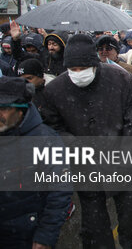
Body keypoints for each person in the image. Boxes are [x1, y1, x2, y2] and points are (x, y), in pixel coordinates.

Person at [40, 34, 132, 249]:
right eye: (73, 70)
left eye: (83, 68)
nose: (78, 74)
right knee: (95, 227)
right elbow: (51, 126)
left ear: (94, 64)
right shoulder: (55, 90)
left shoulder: (121, 80)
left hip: (123, 165)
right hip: (85, 168)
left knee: (129, 219)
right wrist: (76, 146)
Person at [0, 76, 73, 249]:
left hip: (25, 234)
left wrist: (46, 235)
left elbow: (60, 190)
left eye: (3, 108)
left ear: (21, 111)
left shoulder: (46, 140)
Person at [96, 35, 132, 103]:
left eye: (108, 48)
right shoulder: (94, 69)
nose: (104, 51)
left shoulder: (129, 70)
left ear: (117, 52)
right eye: (100, 49)